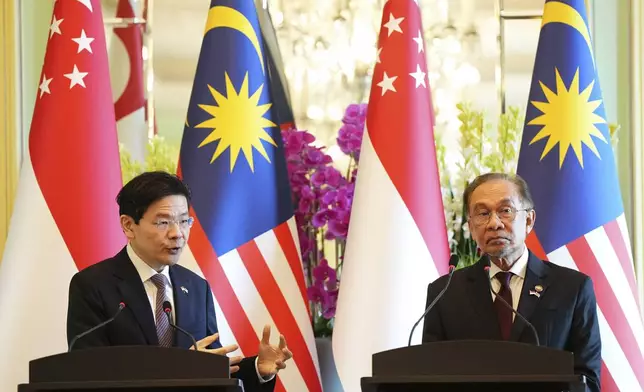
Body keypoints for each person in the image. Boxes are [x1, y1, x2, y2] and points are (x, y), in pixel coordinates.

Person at [66, 171, 291, 391]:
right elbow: (89, 373)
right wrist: (178, 368)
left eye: (184, 221)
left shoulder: (195, 287)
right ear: (128, 225)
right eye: (163, 223)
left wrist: (258, 370)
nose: (177, 233)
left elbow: (212, 369)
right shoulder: (92, 286)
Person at [422, 172, 601, 392]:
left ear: (528, 220)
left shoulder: (572, 289)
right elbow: (430, 378)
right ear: (471, 227)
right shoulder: (445, 292)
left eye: (505, 211)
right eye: (483, 213)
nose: (494, 223)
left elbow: (588, 380)